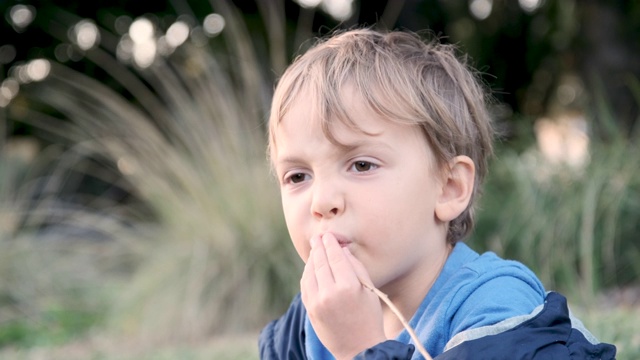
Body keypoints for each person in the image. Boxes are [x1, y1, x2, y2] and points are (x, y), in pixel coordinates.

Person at [258, 28, 616, 359]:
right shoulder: (310, 323)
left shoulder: (498, 310)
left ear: (449, 188)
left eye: (362, 165)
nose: (322, 202)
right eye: (297, 176)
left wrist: (361, 348)